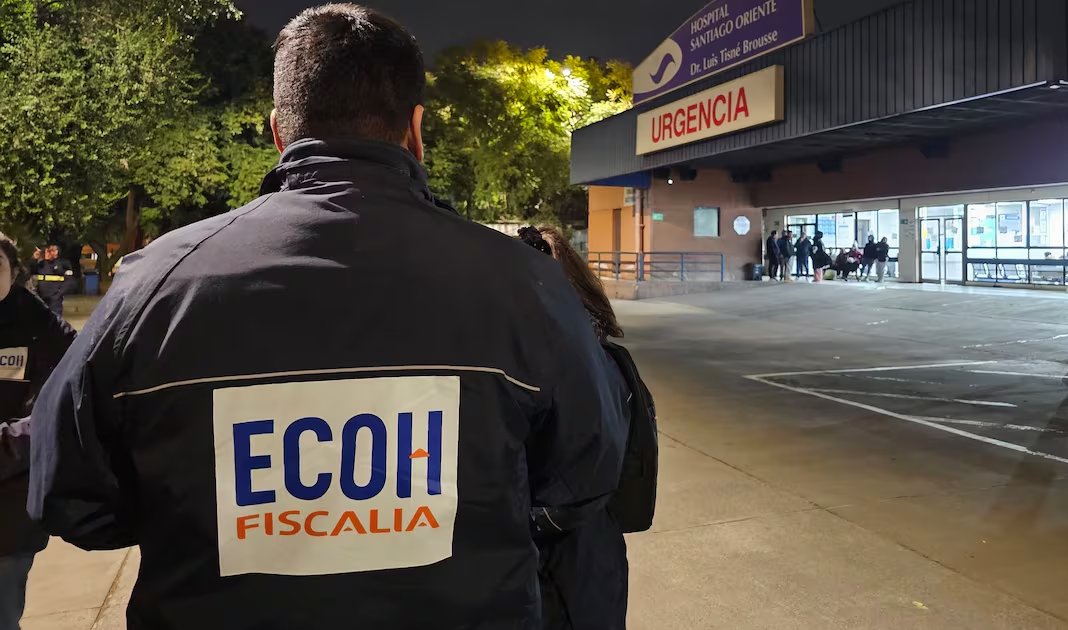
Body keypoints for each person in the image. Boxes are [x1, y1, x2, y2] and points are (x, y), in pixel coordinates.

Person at [28, 5, 628, 629]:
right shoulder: (524, 283)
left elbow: (66, 493)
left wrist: (205, 519)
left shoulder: (154, 286)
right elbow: (586, 473)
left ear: (279, 133)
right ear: (416, 129)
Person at [518, 226, 658, 630]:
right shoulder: (604, 357)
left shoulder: (559, 367)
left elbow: (578, 479)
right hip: (595, 552)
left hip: (563, 560)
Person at [0, 232, 75, 630]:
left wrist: (15, 439)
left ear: (13, 272)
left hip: (9, 504)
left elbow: (67, 394)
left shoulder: (39, 326)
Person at [30, 245, 73, 317]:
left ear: (57, 252)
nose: (48, 253)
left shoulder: (63, 264)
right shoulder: (41, 264)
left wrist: (59, 294)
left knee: (55, 318)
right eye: (47, 251)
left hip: (55, 299)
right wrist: (34, 259)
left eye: (51, 251)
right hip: (42, 297)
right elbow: (31, 270)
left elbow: (69, 281)